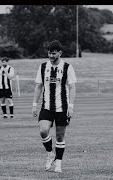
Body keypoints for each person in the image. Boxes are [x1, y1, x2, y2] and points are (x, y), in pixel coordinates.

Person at [31, 40, 77, 173]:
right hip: (46, 107)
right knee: (43, 131)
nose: (51, 56)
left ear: (60, 53)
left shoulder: (68, 67)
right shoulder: (43, 67)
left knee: (60, 136)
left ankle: (58, 164)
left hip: (62, 107)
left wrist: (71, 106)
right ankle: (50, 153)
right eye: (49, 53)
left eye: (54, 53)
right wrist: (34, 105)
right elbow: (38, 86)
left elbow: (72, 87)